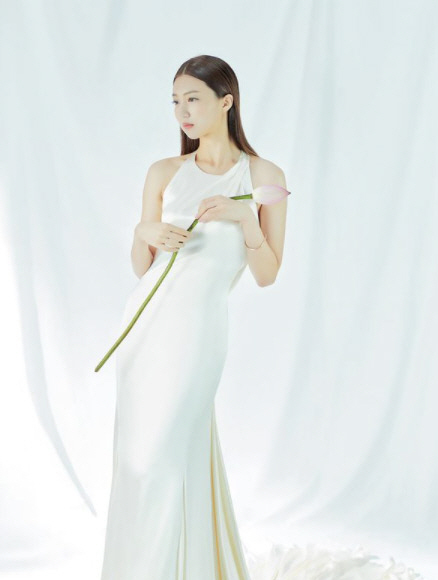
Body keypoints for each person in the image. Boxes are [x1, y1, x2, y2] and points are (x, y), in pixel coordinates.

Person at [99, 54, 287, 580]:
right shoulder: (164, 172)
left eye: (193, 99)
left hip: (198, 336)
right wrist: (143, 233)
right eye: (176, 101)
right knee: (139, 462)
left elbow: (268, 273)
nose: (182, 112)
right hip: (144, 332)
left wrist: (245, 217)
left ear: (226, 102)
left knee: (161, 456)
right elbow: (144, 269)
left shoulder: (263, 177)